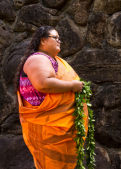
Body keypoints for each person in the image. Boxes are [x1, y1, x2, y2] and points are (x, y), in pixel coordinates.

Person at [14, 26, 88, 169]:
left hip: (58, 127)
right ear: (43, 40)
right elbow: (44, 84)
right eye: (55, 37)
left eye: (59, 38)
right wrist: (73, 86)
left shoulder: (52, 60)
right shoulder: (38, 58)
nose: (59, 40)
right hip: (48, 127)